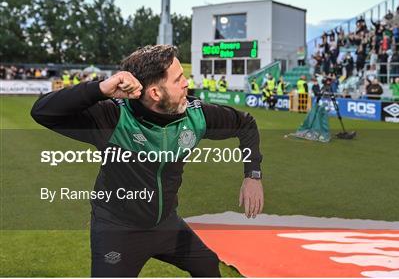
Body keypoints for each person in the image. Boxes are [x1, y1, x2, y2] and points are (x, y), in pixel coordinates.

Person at [30, 45, 264, 277]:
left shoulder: (196, 115)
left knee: (207, 266)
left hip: (166, 225)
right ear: (155, 93)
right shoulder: (114, 117)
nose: (187, 84)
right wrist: (100, 89)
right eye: (178, 79)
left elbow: (246, 124)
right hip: (118, 231)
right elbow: (42, 112)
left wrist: (252, 175)